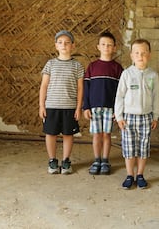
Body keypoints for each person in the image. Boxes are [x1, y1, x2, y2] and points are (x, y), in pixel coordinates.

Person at [115, 39, 159, 189]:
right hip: (129, 117)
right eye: (137, 53)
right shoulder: (127, 74)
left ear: (149, 55)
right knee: (129, 148)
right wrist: (119, 116)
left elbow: (155, 96)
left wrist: (155, 115)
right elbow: (119, 96)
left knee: (143, 147)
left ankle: (140, 175)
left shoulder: (153, 75)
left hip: (146, 117)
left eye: (144, 53)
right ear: (132, 55)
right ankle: (130, 175)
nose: (140, 56)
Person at [39, 30, 84, 175]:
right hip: (51, 106)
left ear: (73, 46)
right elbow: (44, 86)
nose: (63, 45)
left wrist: (78, 108)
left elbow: (80, 88)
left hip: (69, 107)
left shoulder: (77, 65)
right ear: (56, 46)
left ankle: (66, 161)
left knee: (68, 134)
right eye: (60, 43)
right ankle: (52, 160)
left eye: (67, 42)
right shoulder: (50, 64)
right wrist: (42, 105)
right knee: (50, 134)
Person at [83, 31, 123, 175]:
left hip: (110, 108)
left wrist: (118, 110)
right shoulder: (92, 67)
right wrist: (86, 107)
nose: (106, 47)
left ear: (114, 48)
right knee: (96, 135)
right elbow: (86, 89)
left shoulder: (117, 68)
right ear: (98, 47)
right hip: (94, 108)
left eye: (109, 45)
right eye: (103, 44)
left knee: (106, 134)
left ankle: (105, 160)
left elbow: (121, 92)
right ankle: (97, 160)